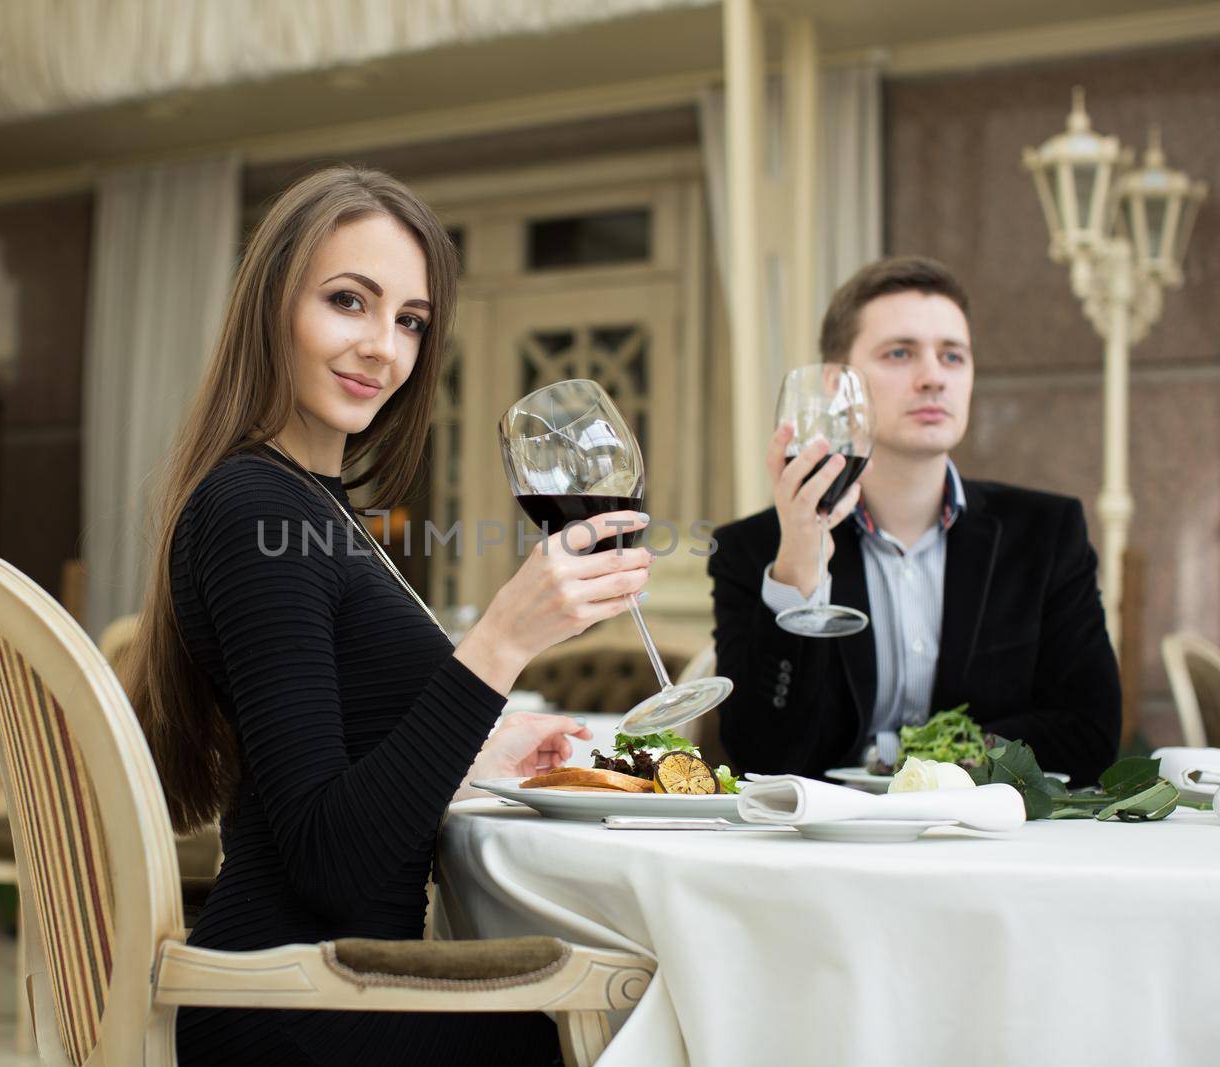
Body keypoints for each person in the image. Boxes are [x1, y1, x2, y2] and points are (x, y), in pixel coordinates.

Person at [119, 166, 652, 1066]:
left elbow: (334, 770)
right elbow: (333, 860)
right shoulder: (258, 509)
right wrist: (501, 640)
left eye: (409, 320)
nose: (384, 348)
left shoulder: (311, 508)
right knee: (658, 1009)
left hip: (332, 986)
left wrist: (482, 744)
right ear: (269, 308)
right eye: (347, 302)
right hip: (301, 1004)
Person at [708, 255, 1120, 784]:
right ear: (838, 386)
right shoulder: (753, 549)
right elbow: (762, 756)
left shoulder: (1046, 533)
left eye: (953, 356)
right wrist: (798, 574)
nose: (932, 378)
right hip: (826, 848)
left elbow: (1091, 732)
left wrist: (933, 760)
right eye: (900, 353)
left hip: (991, 842)